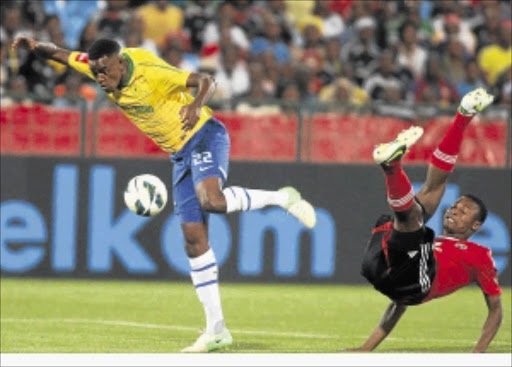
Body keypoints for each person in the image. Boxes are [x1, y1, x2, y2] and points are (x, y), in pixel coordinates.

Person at [12, 35, 317, 353]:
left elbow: (206, 80)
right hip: (179, 154)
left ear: (119, 62)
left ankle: (283, 198)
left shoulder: (149, 69)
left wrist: (195, 105)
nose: (100, 78)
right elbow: (60, 54)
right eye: (96, 72)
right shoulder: (97, 66)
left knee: (212, 200)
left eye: (105, 71)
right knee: (193, 241)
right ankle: (217, 330)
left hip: (203, 135)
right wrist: (31, 44)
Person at [354, 88, 502, 352]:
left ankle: (392, 168)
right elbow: (397, 303)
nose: (455, 210)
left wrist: (477, 354)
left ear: (476, 226)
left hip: (414, 283)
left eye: (464, 211)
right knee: (428, 198)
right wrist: (365, 350)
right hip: (380, 268)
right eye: (456, 206)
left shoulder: (481, 255)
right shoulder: (430, 245)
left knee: (415, 218)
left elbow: (495, 310)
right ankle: (463, 115)